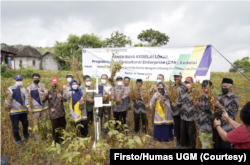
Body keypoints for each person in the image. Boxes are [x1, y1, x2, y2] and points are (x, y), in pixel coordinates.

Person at [213, 78, 239, 149]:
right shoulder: (220, 96)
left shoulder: (234, 98)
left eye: (225, 87)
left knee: (225, 147)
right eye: (222, 86)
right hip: (217, 126)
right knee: (216, 146)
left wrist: (220, 106)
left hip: (227, 128)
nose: (223, 88)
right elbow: (216, 110)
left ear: (231, 87)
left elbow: (232, 113)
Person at [5, 75, 29, 145]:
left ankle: (26, 135)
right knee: (15, 126)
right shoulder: (10, 89)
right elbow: (7, 98)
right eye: (17, 80)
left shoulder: (24, 88)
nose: (19, 81)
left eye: (20, 80)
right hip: (14, 111)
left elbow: (26, 99)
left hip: (23, 110)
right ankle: (17, 139)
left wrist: (27, 107)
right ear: (14, 80)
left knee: (25, 124)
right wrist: (7, 102)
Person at [42, 77, 67, 144]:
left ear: (57, 82)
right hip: (53, 114)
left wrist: (61, 97)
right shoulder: (49, 92)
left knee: (62, 126)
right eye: (53, 82)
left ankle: (62, 139)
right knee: (55, 128)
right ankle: (56, 141)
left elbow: (65, 100)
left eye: (55, 82)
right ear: (51, 83)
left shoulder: (61, 91)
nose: (55, 83)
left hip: (61, 112)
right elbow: (43, 100)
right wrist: (44, 93)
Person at [26, 73, 48, 143]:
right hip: (35, 109)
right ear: (32, 79)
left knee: (45, 123)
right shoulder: (29, 88)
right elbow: (27, 98)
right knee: (36, 124)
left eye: (37, 78)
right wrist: (28, 107)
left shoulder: (42, 85)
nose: (36, 79)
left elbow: (46, 93)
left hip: (44, 108)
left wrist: (43, 91)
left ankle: (46, 136)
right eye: (35, 78)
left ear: (40, 79)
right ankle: (37, 138)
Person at [194, 80, 214, 149]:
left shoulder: (212, 98)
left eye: (205, 86)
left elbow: (210, 110)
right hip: (201, 124)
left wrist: (200, 105)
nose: (203, 88)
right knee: (203, 143)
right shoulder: (201, 97)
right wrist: (196, 120)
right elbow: (198, 110)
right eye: (202, 86)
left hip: (207, 124)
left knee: (206, 145)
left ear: (211, 87)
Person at [170, 71, 188, 148]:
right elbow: (168, 96)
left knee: (184, 127)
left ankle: (185, 142)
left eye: (178, 76)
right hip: (175, 111)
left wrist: (177, 103)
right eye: (175, 76)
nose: (176, 78)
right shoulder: (171, 87)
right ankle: (178, 142)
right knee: (177, 127)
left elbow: (187, 97)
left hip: (184, 111)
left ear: (181, 77)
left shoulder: (185, 86)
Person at [179, 77, 197, 149]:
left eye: (189, 82)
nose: (187, 84)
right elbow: (179, 101)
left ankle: (191, 146)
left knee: (191, 132)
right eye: (186, 83)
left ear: (192, 83)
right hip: (183, 115)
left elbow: (197, 105)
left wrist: (196, 116)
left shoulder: (195, 92)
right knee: (183, 131)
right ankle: (183, 144)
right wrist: (175, 103)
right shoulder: (182, 91)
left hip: (192, 116)